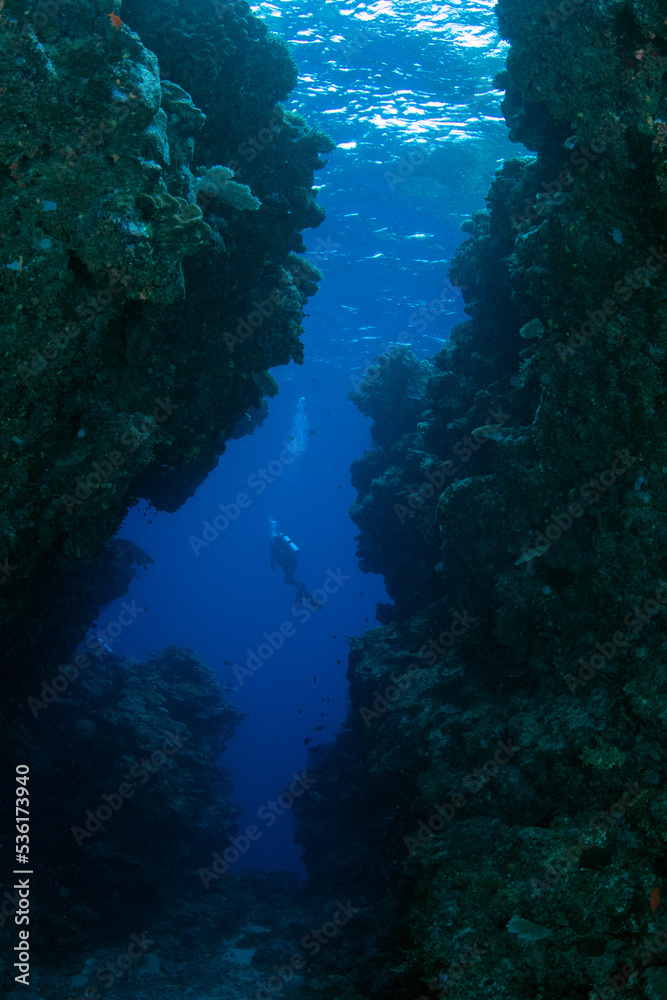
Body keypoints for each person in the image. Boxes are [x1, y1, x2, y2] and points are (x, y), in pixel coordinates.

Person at [269, 520, 319, 609]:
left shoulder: (275, 544)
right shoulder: (281, 541)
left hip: (288, 563)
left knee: (288, 579)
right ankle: (302, 593)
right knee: (288, 579)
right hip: (291, 562)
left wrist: (272, 563)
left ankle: (301, 592)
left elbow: (276, 556)